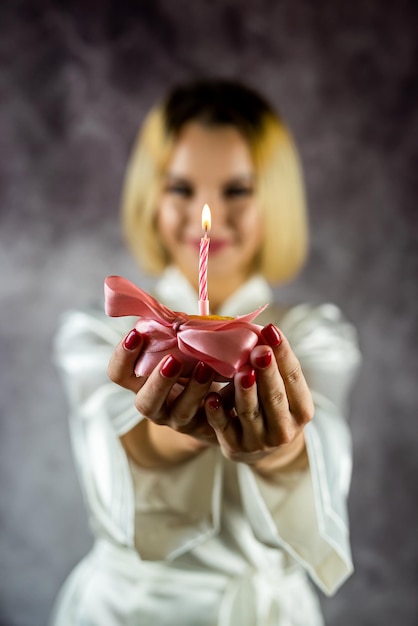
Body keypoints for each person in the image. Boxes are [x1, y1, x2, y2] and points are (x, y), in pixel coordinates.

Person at [50, 79, 361, 626]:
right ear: (150, 196)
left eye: (237, 190)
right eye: (180, 188)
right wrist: (165, 431)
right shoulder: (103, 334)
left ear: (275, 200)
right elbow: (107, 469)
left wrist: (280, 449)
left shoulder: (309, 337)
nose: (206, 214)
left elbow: (328, 444)